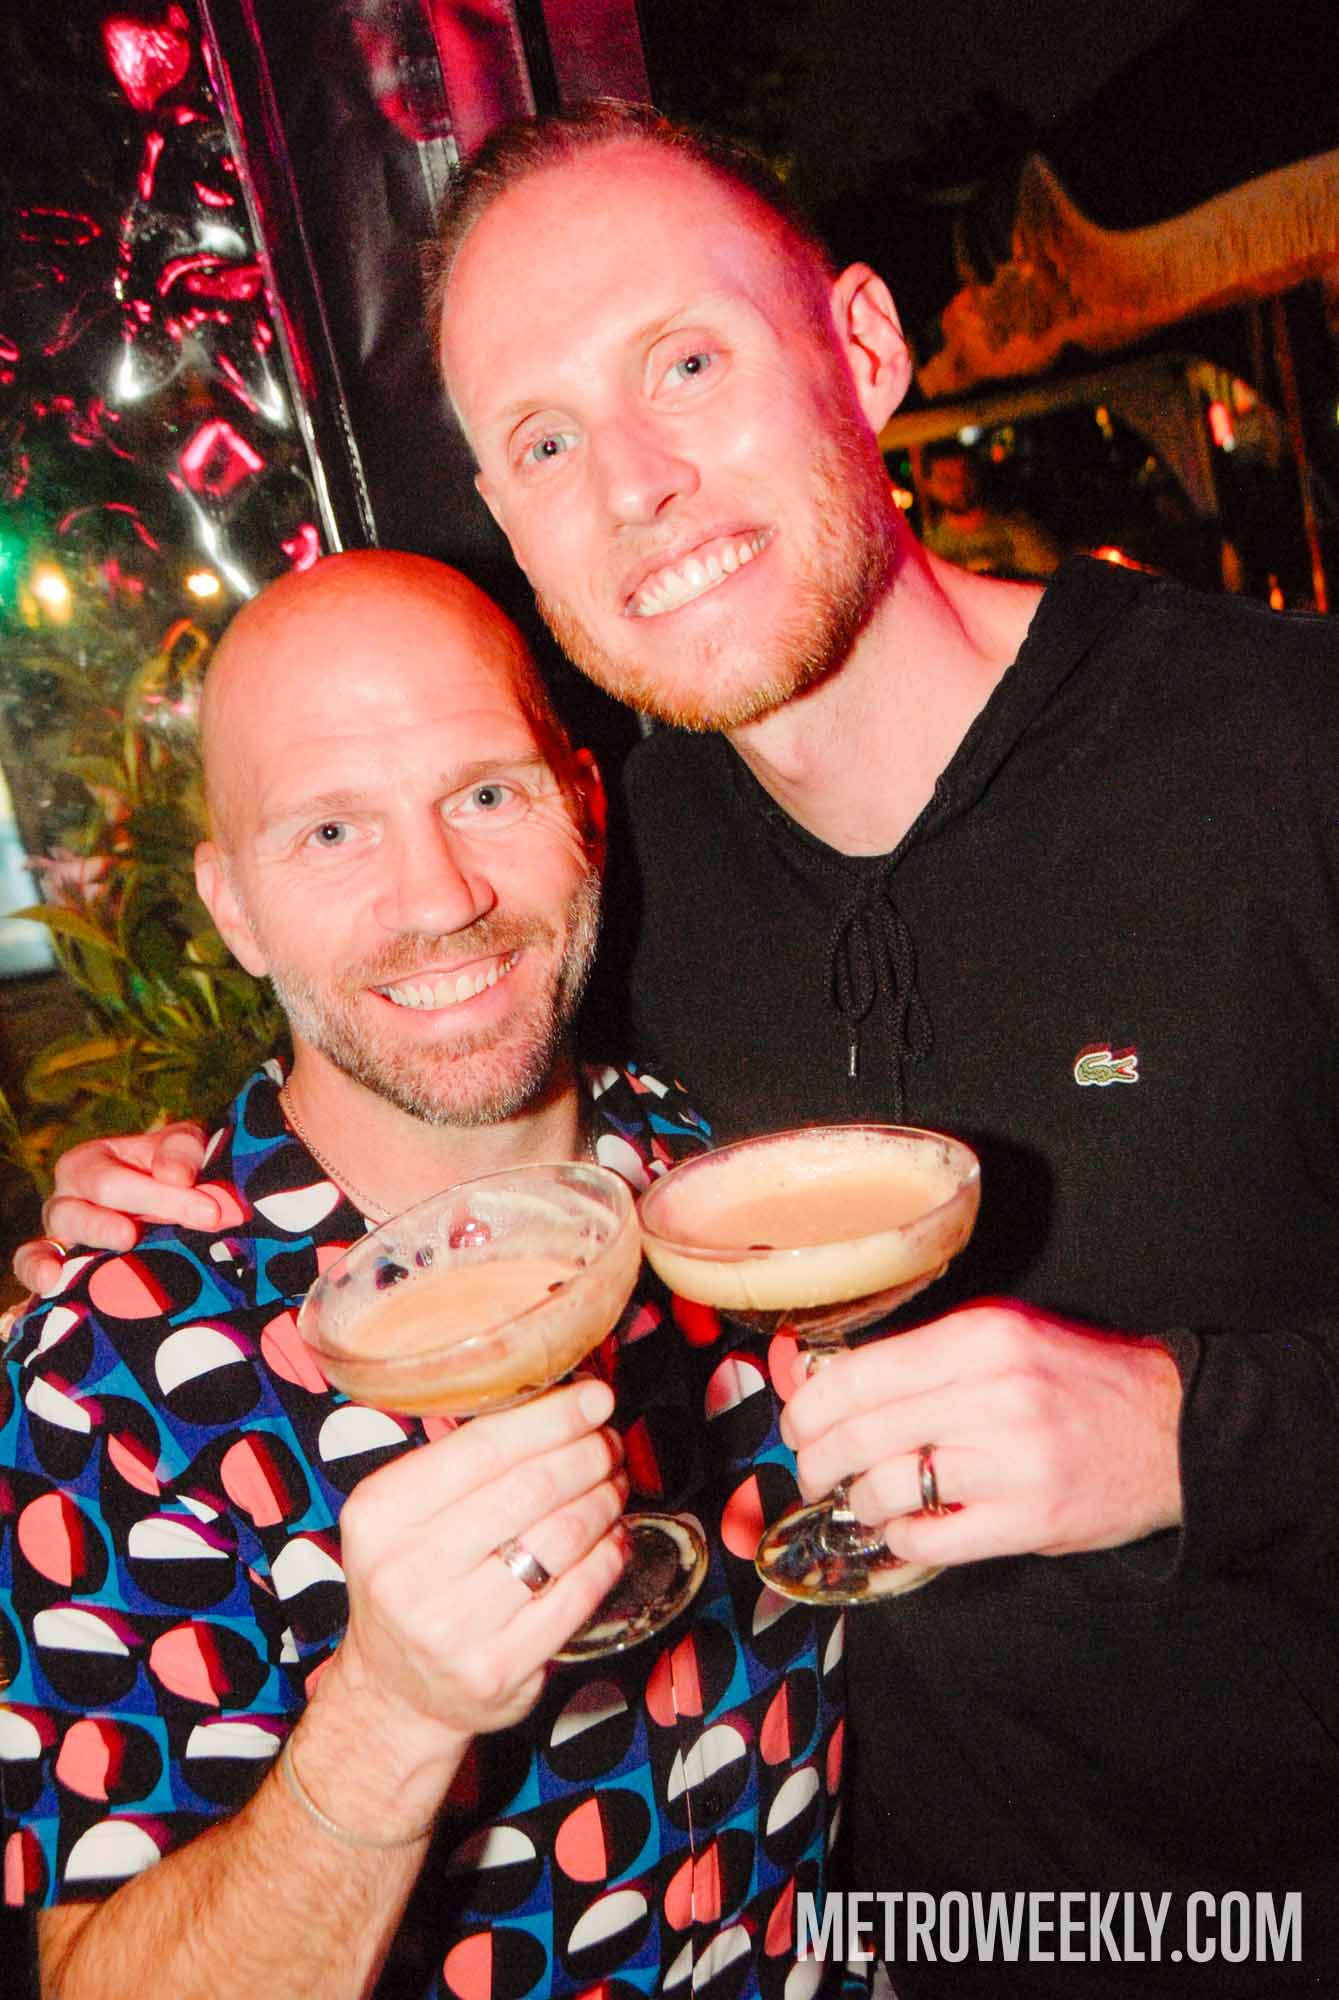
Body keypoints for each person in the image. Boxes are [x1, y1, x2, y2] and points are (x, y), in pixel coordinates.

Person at [18, 102, 1339, 1994]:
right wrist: (146, 1208)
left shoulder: (1286, 755)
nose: (631, 483)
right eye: (544, 440)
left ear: (860, 348)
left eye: (686, 364)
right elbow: (415, 1020)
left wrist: (1188, 1440)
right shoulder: (614, 891)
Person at [0, 549, 848, 2000]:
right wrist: (387, 1717)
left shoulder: (714, 1182)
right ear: (235, 908)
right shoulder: (115, 1372)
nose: (439, 896)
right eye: (332, 831)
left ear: (583, 807)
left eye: (486, 794)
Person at [918, 441, 1062, 580]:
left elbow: (1049, 577)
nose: (959, 486)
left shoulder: (1016, 530)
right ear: (928, 485)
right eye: (947, 480)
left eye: (967, 474)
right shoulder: (929, 547)